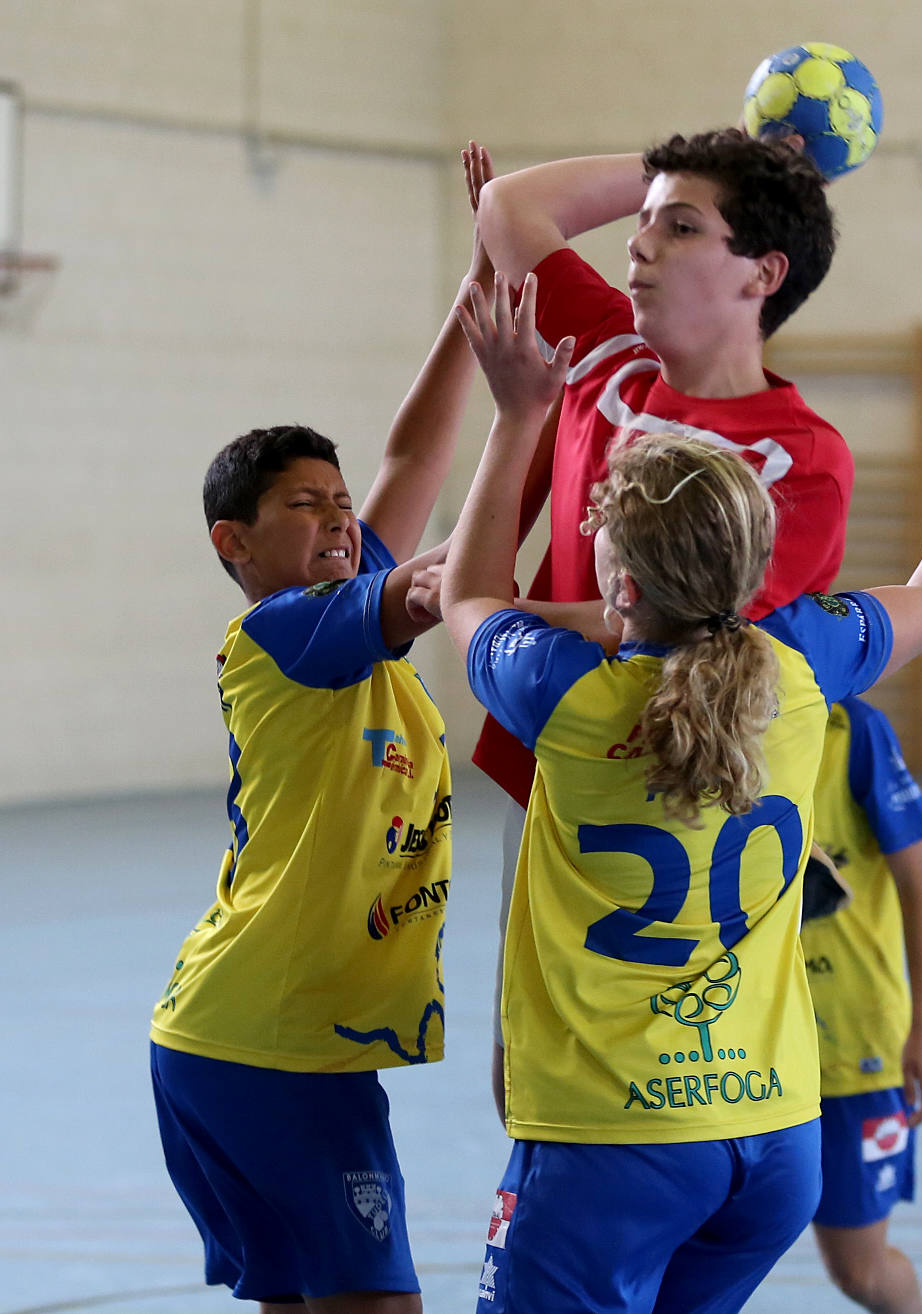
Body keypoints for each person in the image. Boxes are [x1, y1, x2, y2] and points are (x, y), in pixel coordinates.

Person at [439, 272, 922, 1313]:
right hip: (774, 1139)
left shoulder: (562, 692)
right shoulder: (805, 664)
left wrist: (518, 416)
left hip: (614, 1134)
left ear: (619, 586)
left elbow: (469, 595)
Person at [449, 130, 854, 1111]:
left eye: (678, 227)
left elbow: (681, 623)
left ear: (762, 273)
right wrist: (716, 154)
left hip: (688, 789)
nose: (637, 244)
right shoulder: (607, 357)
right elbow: (509, 207)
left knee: (687, 1077)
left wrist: (495, 608)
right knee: (526, 1070)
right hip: (561, 763)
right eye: (640, 222)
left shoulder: (798, 458)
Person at [148, 183, 496, 1313]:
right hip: (275, 1041)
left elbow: (415, 454)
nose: (341, 518)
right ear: (235, 542)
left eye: (343, 503)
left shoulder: (336, 605)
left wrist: (477, 293)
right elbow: (443, 581)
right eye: (307, 506)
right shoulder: (288, 631)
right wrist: (533, 418)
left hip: (241, 1034)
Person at [805, 698, 922, 1314]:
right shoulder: (700, 715)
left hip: (853, 1045)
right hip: (739, 1044)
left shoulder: (851, 731)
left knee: (859, 1271)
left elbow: (918, 887)